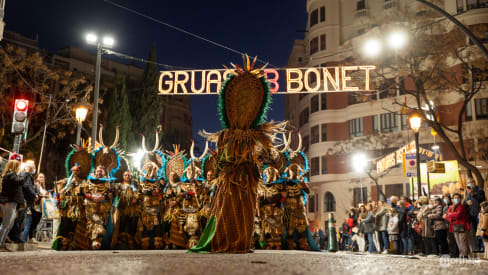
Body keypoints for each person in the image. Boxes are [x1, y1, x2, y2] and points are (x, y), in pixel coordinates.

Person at [8, 162, 38, 243]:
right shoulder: (26, 175)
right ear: (30, 167)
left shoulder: (22, 174)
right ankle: (15, 237)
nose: (34, 168)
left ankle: (15, 236)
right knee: (19, 219)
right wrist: (34, 195)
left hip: (22, 199)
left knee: (18, 218)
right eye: (33, 166)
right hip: (24, 200)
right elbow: (27, 186)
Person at [0, 160, 24, 252]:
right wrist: (23, 174)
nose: (19, 168)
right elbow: (20, 181)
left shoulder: (11, 175)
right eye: (18, 166)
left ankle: (2, 243)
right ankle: (0, 243)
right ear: (14, 167)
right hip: (9, 201)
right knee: (6, 223)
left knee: (9, 224)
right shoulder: (11, 175)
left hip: (12, 202)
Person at [23, 173, 49, 243]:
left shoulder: (43, 187)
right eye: (40, 177)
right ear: (37, 178)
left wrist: (46, 195)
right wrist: (42, 195)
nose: (42, 178)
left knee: (34, 224)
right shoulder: (35, 185)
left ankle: (31, 238)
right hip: (34, 207)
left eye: (43, 177)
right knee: (29, 224)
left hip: (40, 208)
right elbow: (34, 194)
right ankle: (24, 240)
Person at [444, 193, 470, 258]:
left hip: (462, 226)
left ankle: (465, 255)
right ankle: (461, 254)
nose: (456, 199)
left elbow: (458, 215)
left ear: (460, 199)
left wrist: (450, 214)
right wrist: (452, 216)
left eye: (457, 198)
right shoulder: (451, 207)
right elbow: (447, 216)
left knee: (463, 241)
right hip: (454, 226)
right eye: (454, 198)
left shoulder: (461, 206)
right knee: (458, 241)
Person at [464, 182, 481, 253]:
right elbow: (464, 203)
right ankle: (477, 247)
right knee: (474, 231)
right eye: (468, 188)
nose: (469, 190)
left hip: (478, 215)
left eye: (470, 188)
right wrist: (466, 203)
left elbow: (480, 199)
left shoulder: (479, 192)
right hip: (471, 215)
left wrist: (473, 194)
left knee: (480, 230)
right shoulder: (467, 195)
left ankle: (481, 247)